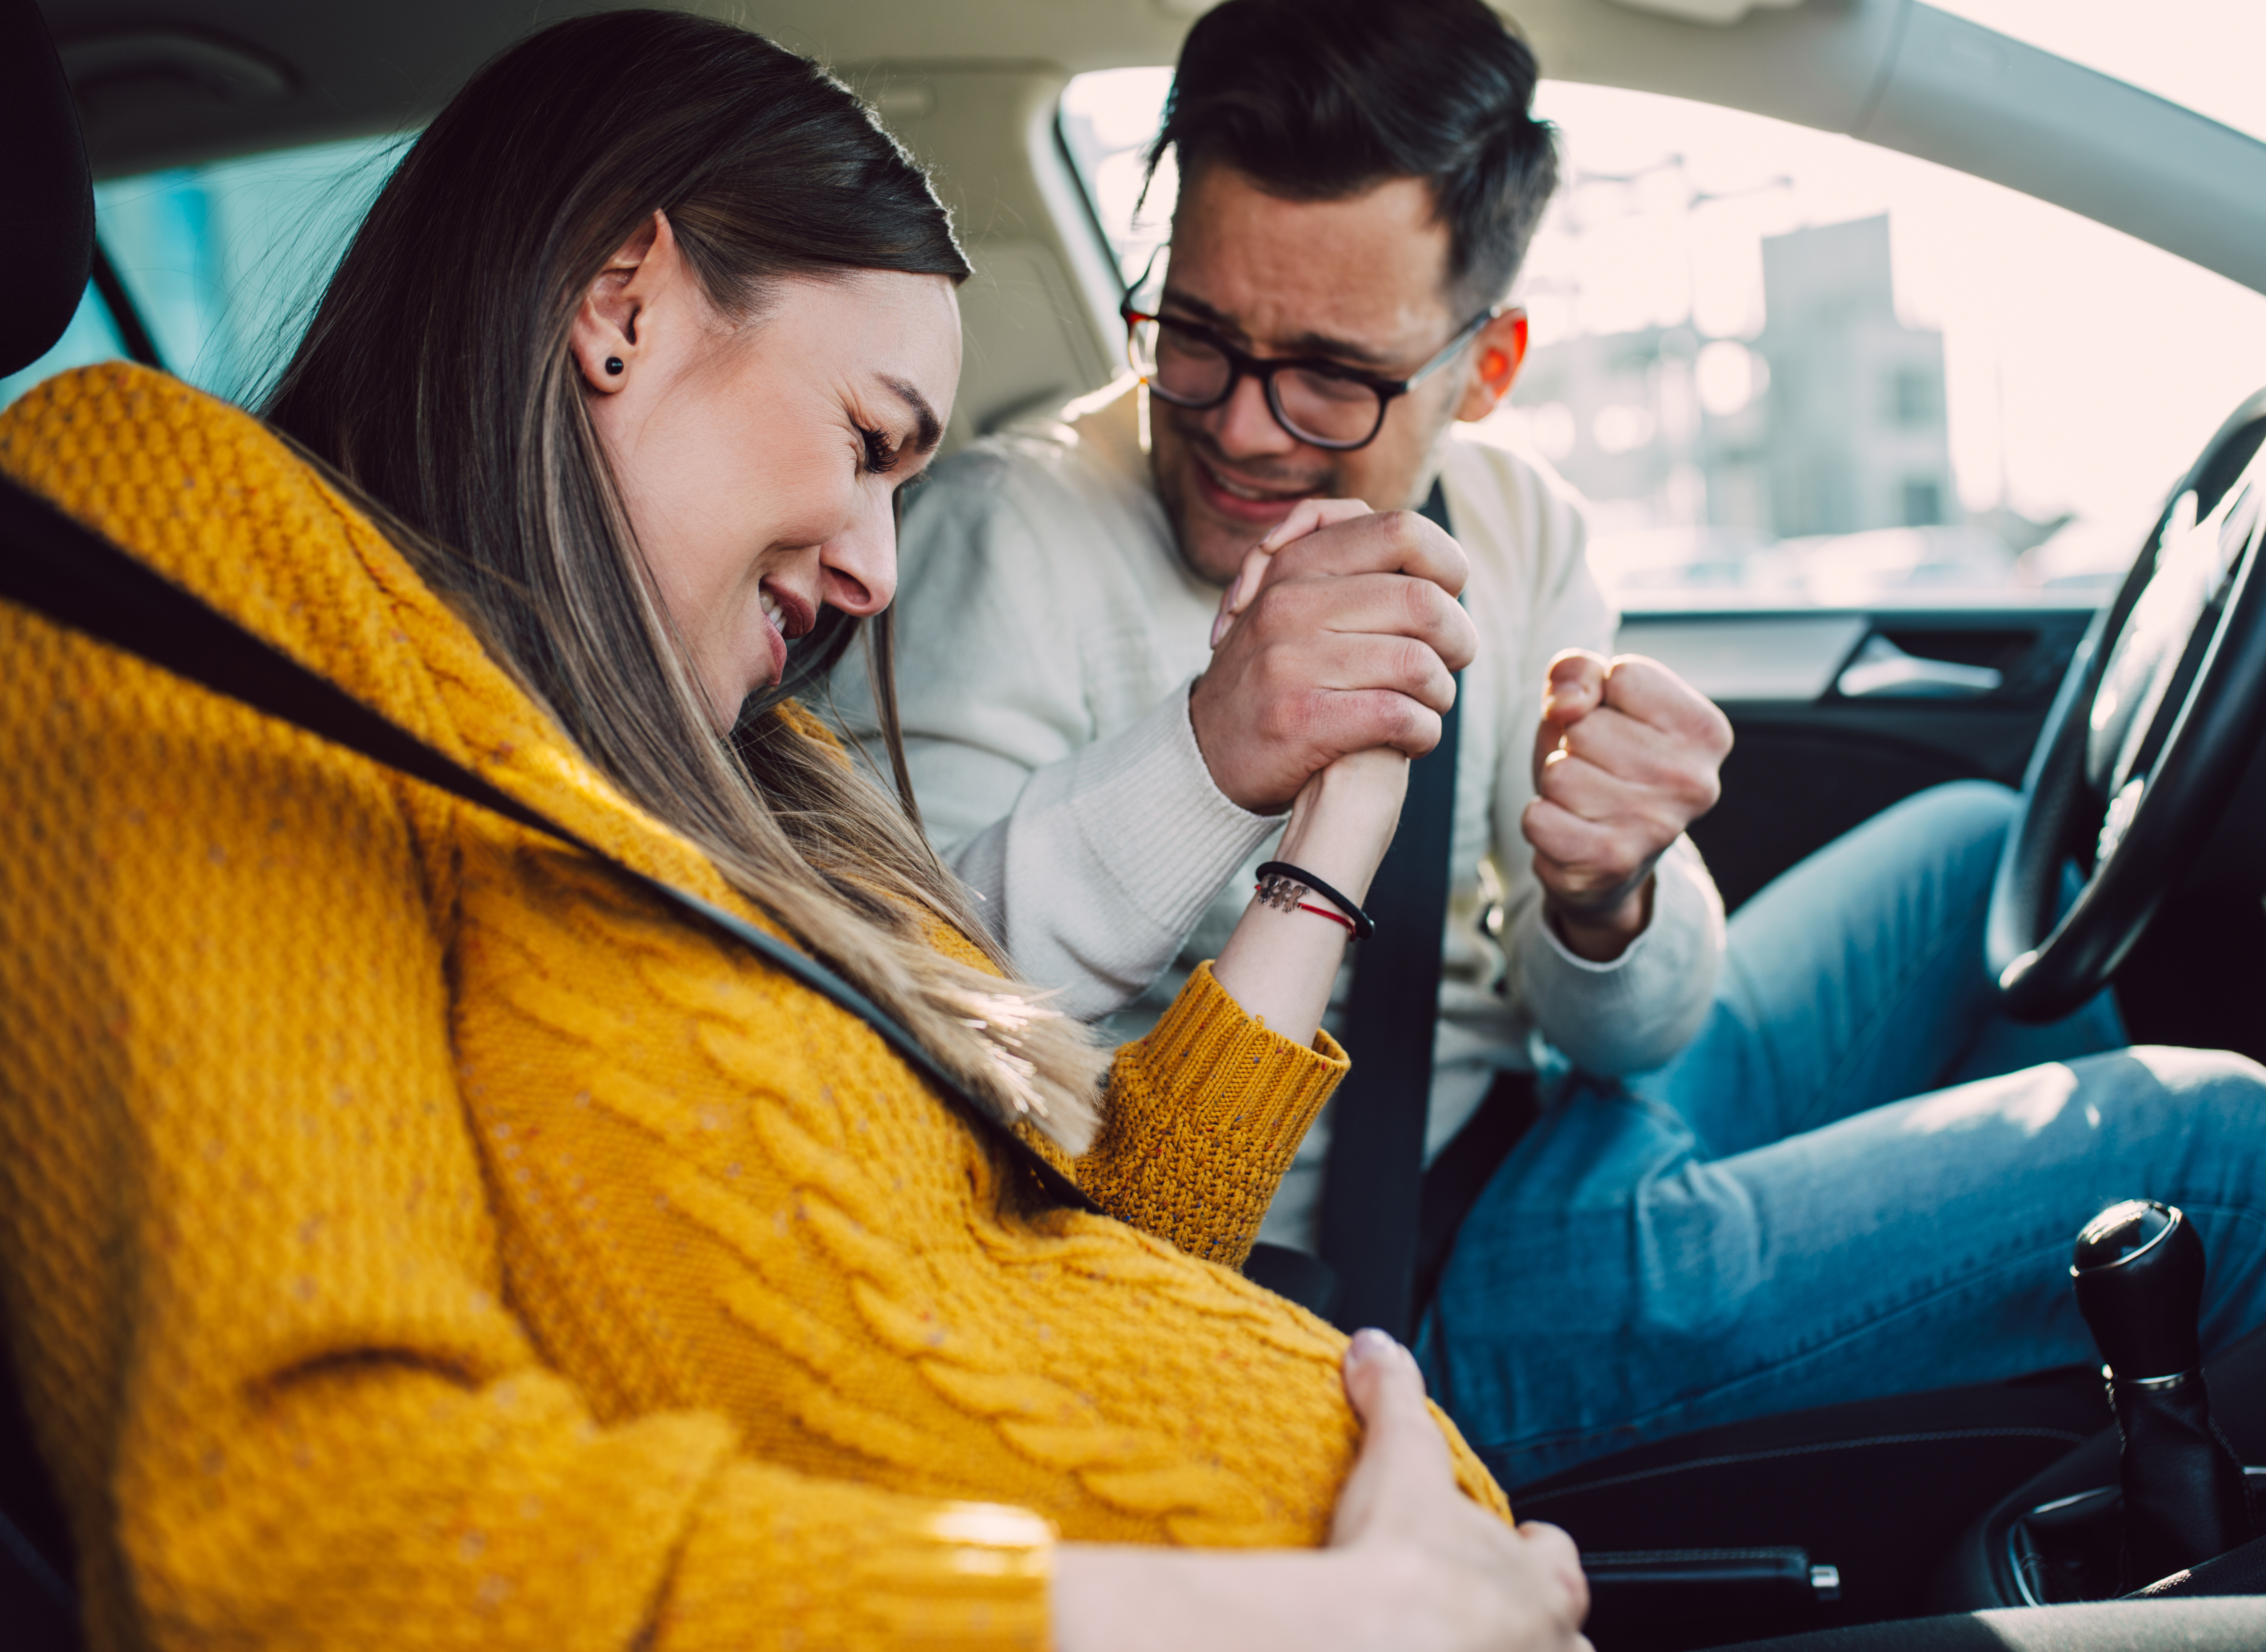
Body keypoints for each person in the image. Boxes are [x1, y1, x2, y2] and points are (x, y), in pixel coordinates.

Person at [0, 13, 1593, 1649]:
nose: (879, 569)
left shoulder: (753, 776)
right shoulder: (184, 546)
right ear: (620, 306)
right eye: (867, 444)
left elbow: (1059, 1267)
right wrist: (1290, 1621)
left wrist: (1343, 820)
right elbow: (306, 1530)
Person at [847, 0, 2266, 1487]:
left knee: (1974, 852)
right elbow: (908, 1032)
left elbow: (1630, 1027)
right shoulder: (998, 541)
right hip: (1400, 1286)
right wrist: (1209, 750)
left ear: (1488, 364)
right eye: (1195, 334)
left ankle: (2122, 1437)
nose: (1245, 424)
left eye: (1333, 374)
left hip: (1566, 1117)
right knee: (2219, 1157)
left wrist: (1610, 903)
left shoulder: (1517, 526)